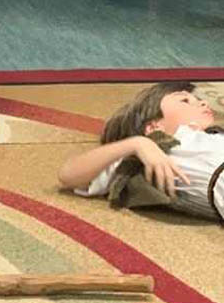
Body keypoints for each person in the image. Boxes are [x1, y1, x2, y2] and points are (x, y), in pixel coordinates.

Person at [58, 81, 223, 221]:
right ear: (153, 127)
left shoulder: (214, 137)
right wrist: (136, 144)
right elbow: (69, 175)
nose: (204, 103)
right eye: (185, 101)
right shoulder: (156, 149)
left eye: (199, 100)